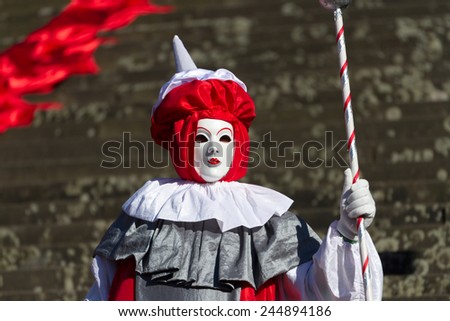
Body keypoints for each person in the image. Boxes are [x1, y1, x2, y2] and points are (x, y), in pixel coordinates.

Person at [85, 36, 383, 301]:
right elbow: (102, 294)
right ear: (182, 143)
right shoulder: (144, 214)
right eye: (201, 137)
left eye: (225, 138)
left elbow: (317, 293)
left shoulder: (266, 220)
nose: (214, 148)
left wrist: (347, 234)